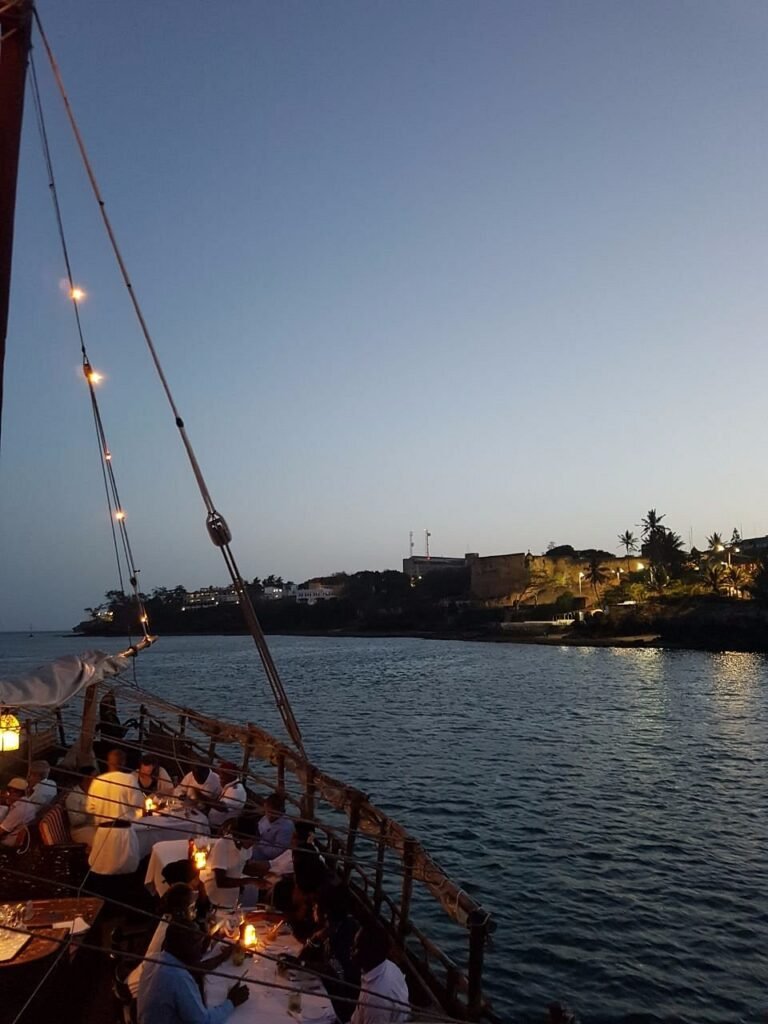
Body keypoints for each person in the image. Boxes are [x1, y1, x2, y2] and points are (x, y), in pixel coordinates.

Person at [137, 920, 247, 1024]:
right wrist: (232, 1002)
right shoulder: (178, 978)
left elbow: (197, 968)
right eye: (197, 943)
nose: (201, 947)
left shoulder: (155, 959)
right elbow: (203, 1022)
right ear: (183, 947)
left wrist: (222, 955)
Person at [127, 882, 198, 998]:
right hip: (143, 989)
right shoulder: (173, 932)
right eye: (191, 906)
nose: (194, 909)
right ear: (178, 910)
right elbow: (194, 967)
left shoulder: (167, 918)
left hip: (145, 978)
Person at [302, 886, 361, 1021]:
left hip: (346, 1012)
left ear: (326, 913)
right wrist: (316, 938)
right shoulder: (332, 930)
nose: (313, 909)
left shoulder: (347, 937)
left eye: (316, 906)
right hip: (335, 998)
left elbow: (335, 973)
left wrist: (303, 963)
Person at [350, 928, 409, 1024]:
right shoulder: (389, 966)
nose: (351, 949)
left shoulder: (376, 1000)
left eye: (356, 948)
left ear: (368, 955)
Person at [200, 815, 259, 909]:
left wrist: (266, 873)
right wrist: (250, 881)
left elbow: (242, 867)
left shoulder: (247, 847)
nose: (252, 843)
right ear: (239, 837)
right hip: (216, 897)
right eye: (250, 840)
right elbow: (221, 881)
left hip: (232, 896)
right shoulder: (223, 845)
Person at [87, 748, 144, 824]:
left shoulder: (97, 781)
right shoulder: (130, 779)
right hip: (123, 831)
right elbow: (138, 804)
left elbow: (90, 809)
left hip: (102, 831)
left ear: (108, 762)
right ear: (123, 762)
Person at [252, 791, 293, 860]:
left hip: (267, 857)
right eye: (267, 811)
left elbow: (277, 852)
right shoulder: (266, 818)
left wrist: (259, 843)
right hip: (255, 846)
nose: (268, 815)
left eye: (271, 812)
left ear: (279, 811)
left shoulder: (285, 828)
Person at [208, 762, 246, 829]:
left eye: (223, 774)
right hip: (215, 823)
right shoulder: (229, 785)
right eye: (220, 774)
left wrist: (203, 799)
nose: (220, 776)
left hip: (222, 827)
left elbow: (222, 807)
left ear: (231, 775)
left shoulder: (236, 790)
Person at [0, 778, 35, 848]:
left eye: (9, 793)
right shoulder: (25, 803)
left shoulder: (19, 809)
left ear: (18, 793)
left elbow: (1, 831)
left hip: (6, 845)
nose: (7, 796)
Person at [65, 765, 96, 846]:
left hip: (94, 826)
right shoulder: (74, 796)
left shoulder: (94, 792)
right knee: (101, 842)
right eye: (95, 777)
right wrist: (89, 810)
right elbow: (75, 821)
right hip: (81, 830)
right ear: (86, 778)